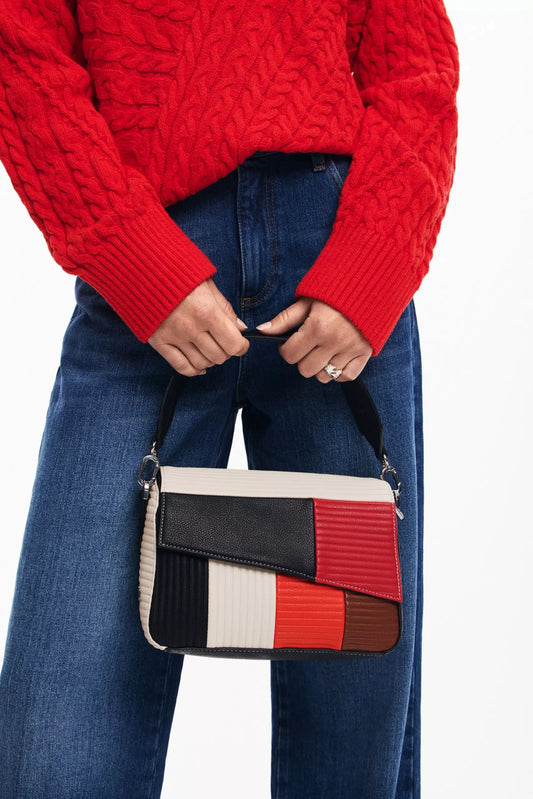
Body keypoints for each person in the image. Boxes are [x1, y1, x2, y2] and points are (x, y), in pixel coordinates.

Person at [0, 1, 459, 796]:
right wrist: (131, 254)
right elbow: (18, 49)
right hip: (147, 246)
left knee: (351, 745)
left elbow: (412, 59)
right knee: (56, 751)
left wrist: (374, 260)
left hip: (337, 256)